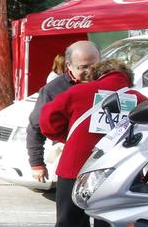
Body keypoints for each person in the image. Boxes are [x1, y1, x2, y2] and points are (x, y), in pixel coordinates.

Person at [39, 59, 148, 227]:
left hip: (74, 170)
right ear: (127, 78)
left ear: (97, 74)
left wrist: (69, 138)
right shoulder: (139, 100)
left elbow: (46, 121)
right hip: (117, 176)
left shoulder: (77, 92)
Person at [26, 41, 100, 185]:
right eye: (84, 67)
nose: (91, 72)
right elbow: (35, 127)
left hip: (103, 160)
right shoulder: (53, 90)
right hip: (71, 161)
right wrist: (37, 163)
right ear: (68, 65)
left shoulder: (109, 84)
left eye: (95, 66)